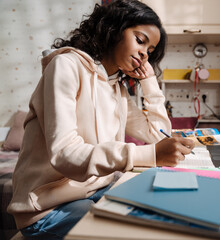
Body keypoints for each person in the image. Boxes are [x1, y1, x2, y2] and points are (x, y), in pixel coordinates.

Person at [7, 1, 195, 239]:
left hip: (95, 191)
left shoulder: (115, 87)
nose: (144, 54)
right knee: (137, 231)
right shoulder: (65, 66)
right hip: (47, 207)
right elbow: (64, 154)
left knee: (169, 213)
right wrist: (147, 154)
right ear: (114, 29)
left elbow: (158, 136)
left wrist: (150, 82)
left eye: (150, 51)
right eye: (140, 40)